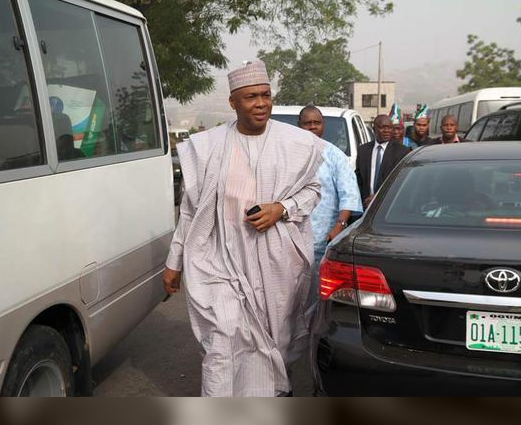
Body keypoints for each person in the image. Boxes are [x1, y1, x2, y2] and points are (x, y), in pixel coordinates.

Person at [162, 60, 325, 397]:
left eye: (266, 95)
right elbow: (191, 210)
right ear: (233, 102)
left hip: (277, 266)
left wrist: (281, 208)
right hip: (220, 262)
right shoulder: (208, 147)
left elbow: (312, 191)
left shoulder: (298, 143)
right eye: (251, 97)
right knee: (222, 340)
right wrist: (174, 262)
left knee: (274, 343)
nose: (261, 103)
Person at [297, 105, 363, 320]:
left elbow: (348, 194)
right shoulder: (288, 154)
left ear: (323, 126)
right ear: (299, 125)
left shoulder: (335, 155)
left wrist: (339, 225)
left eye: (316, 123)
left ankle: (316, 332)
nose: (312, 127)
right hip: (291, 238)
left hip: (322, 238)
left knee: (319, 294)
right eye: (307, 123)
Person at [356, 114, 411, 208]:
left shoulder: (402, 152)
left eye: (389, 127)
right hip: (366, 206)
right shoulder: (363, 150)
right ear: (374, 129)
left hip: (389, 206)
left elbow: (401, 182)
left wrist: (378, 197)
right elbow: (359, 179)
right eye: (382, 127)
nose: (386, 131)